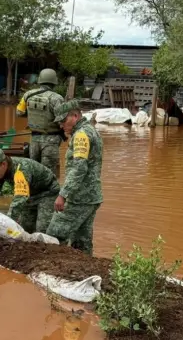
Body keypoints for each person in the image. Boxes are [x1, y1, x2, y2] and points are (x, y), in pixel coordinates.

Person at [46, 100, 103, 255]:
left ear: (75, 116)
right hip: (91, 197)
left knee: (53, 235)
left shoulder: (81, 135)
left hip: (79, 197)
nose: (61, 125)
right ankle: (84, 272)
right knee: (82, 242)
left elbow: (79, 168)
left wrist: (63, 195)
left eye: (63, 120)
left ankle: (51, 271)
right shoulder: (91, 130)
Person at [0, 149, 59, 233]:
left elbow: (19, 198)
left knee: (43, 229)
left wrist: (8, 222)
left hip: (47, 193)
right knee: (25, 229)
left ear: (3, 164)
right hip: (30, 195)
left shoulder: (21, 170)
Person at [16, 68, 65, 177]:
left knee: (34, 173)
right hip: (51, 141)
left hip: (34, 140)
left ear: (40, 80)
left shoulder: (28, 95)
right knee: (49, 176)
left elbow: (19, 113)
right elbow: (62, 120)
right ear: (54, 81)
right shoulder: (57, 98)